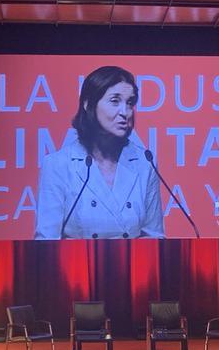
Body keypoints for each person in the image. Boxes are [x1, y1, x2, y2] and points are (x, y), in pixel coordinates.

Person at [35, 65, 164, 240]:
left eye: (130, 103)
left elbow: (154, 238)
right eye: (115, 101)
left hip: (133, 258)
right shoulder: (58, 164)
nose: (125, 112)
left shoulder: (144, 162)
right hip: (77, 258)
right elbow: (46, 242)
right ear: (88, 104)